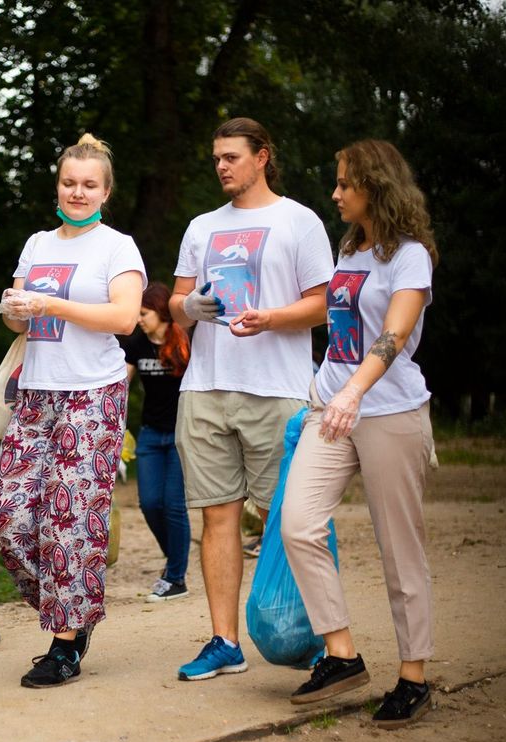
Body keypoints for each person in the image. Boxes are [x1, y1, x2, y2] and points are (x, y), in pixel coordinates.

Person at [280, 139, 439, 729]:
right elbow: (337, 320)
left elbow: (394, 332)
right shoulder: (352, 249)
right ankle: (342, 653)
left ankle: (413, 676)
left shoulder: (410, 256)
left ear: (376, 185)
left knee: (400, 550)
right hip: (332, 409)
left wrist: (355, 390)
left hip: (389, 413)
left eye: (345, 183)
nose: (336, 193)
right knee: (298, 524)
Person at [169, 117, 333, 681]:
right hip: (206, 388)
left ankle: (317, 638)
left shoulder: (300, 221)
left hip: (278, 390)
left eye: (231, 157)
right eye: (216, 157)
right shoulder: (201, 227)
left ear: (262, 157)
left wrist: (271, 319)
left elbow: (324, 304)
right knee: (218, 518)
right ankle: (224, 641)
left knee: (286, 518)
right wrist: (189, 309)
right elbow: (177, 301)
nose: (221, 166)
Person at [0, 133, 145, 688]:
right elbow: (20, 318)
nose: (77, 192)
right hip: (35, 391)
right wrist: (15, 310)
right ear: (57, 185)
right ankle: (73, 613)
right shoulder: (37, 244)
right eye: (68, 182)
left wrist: (49, 302)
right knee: (9, 522)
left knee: (67, 522)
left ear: (105, 192)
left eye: (88, 185)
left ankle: (64, 641)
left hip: (93, 392)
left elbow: (125, 319)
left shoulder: (117, 247)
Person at [122, 282, 193, 602]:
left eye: (144, 313)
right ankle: (175, 559)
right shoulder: (137, 343)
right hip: (150, 433)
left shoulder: (186, 341)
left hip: (181, 433)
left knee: (173, 505)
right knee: (150, 503)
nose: (138, 318)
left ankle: (175, 577)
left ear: (161, 313)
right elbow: (121, 384)